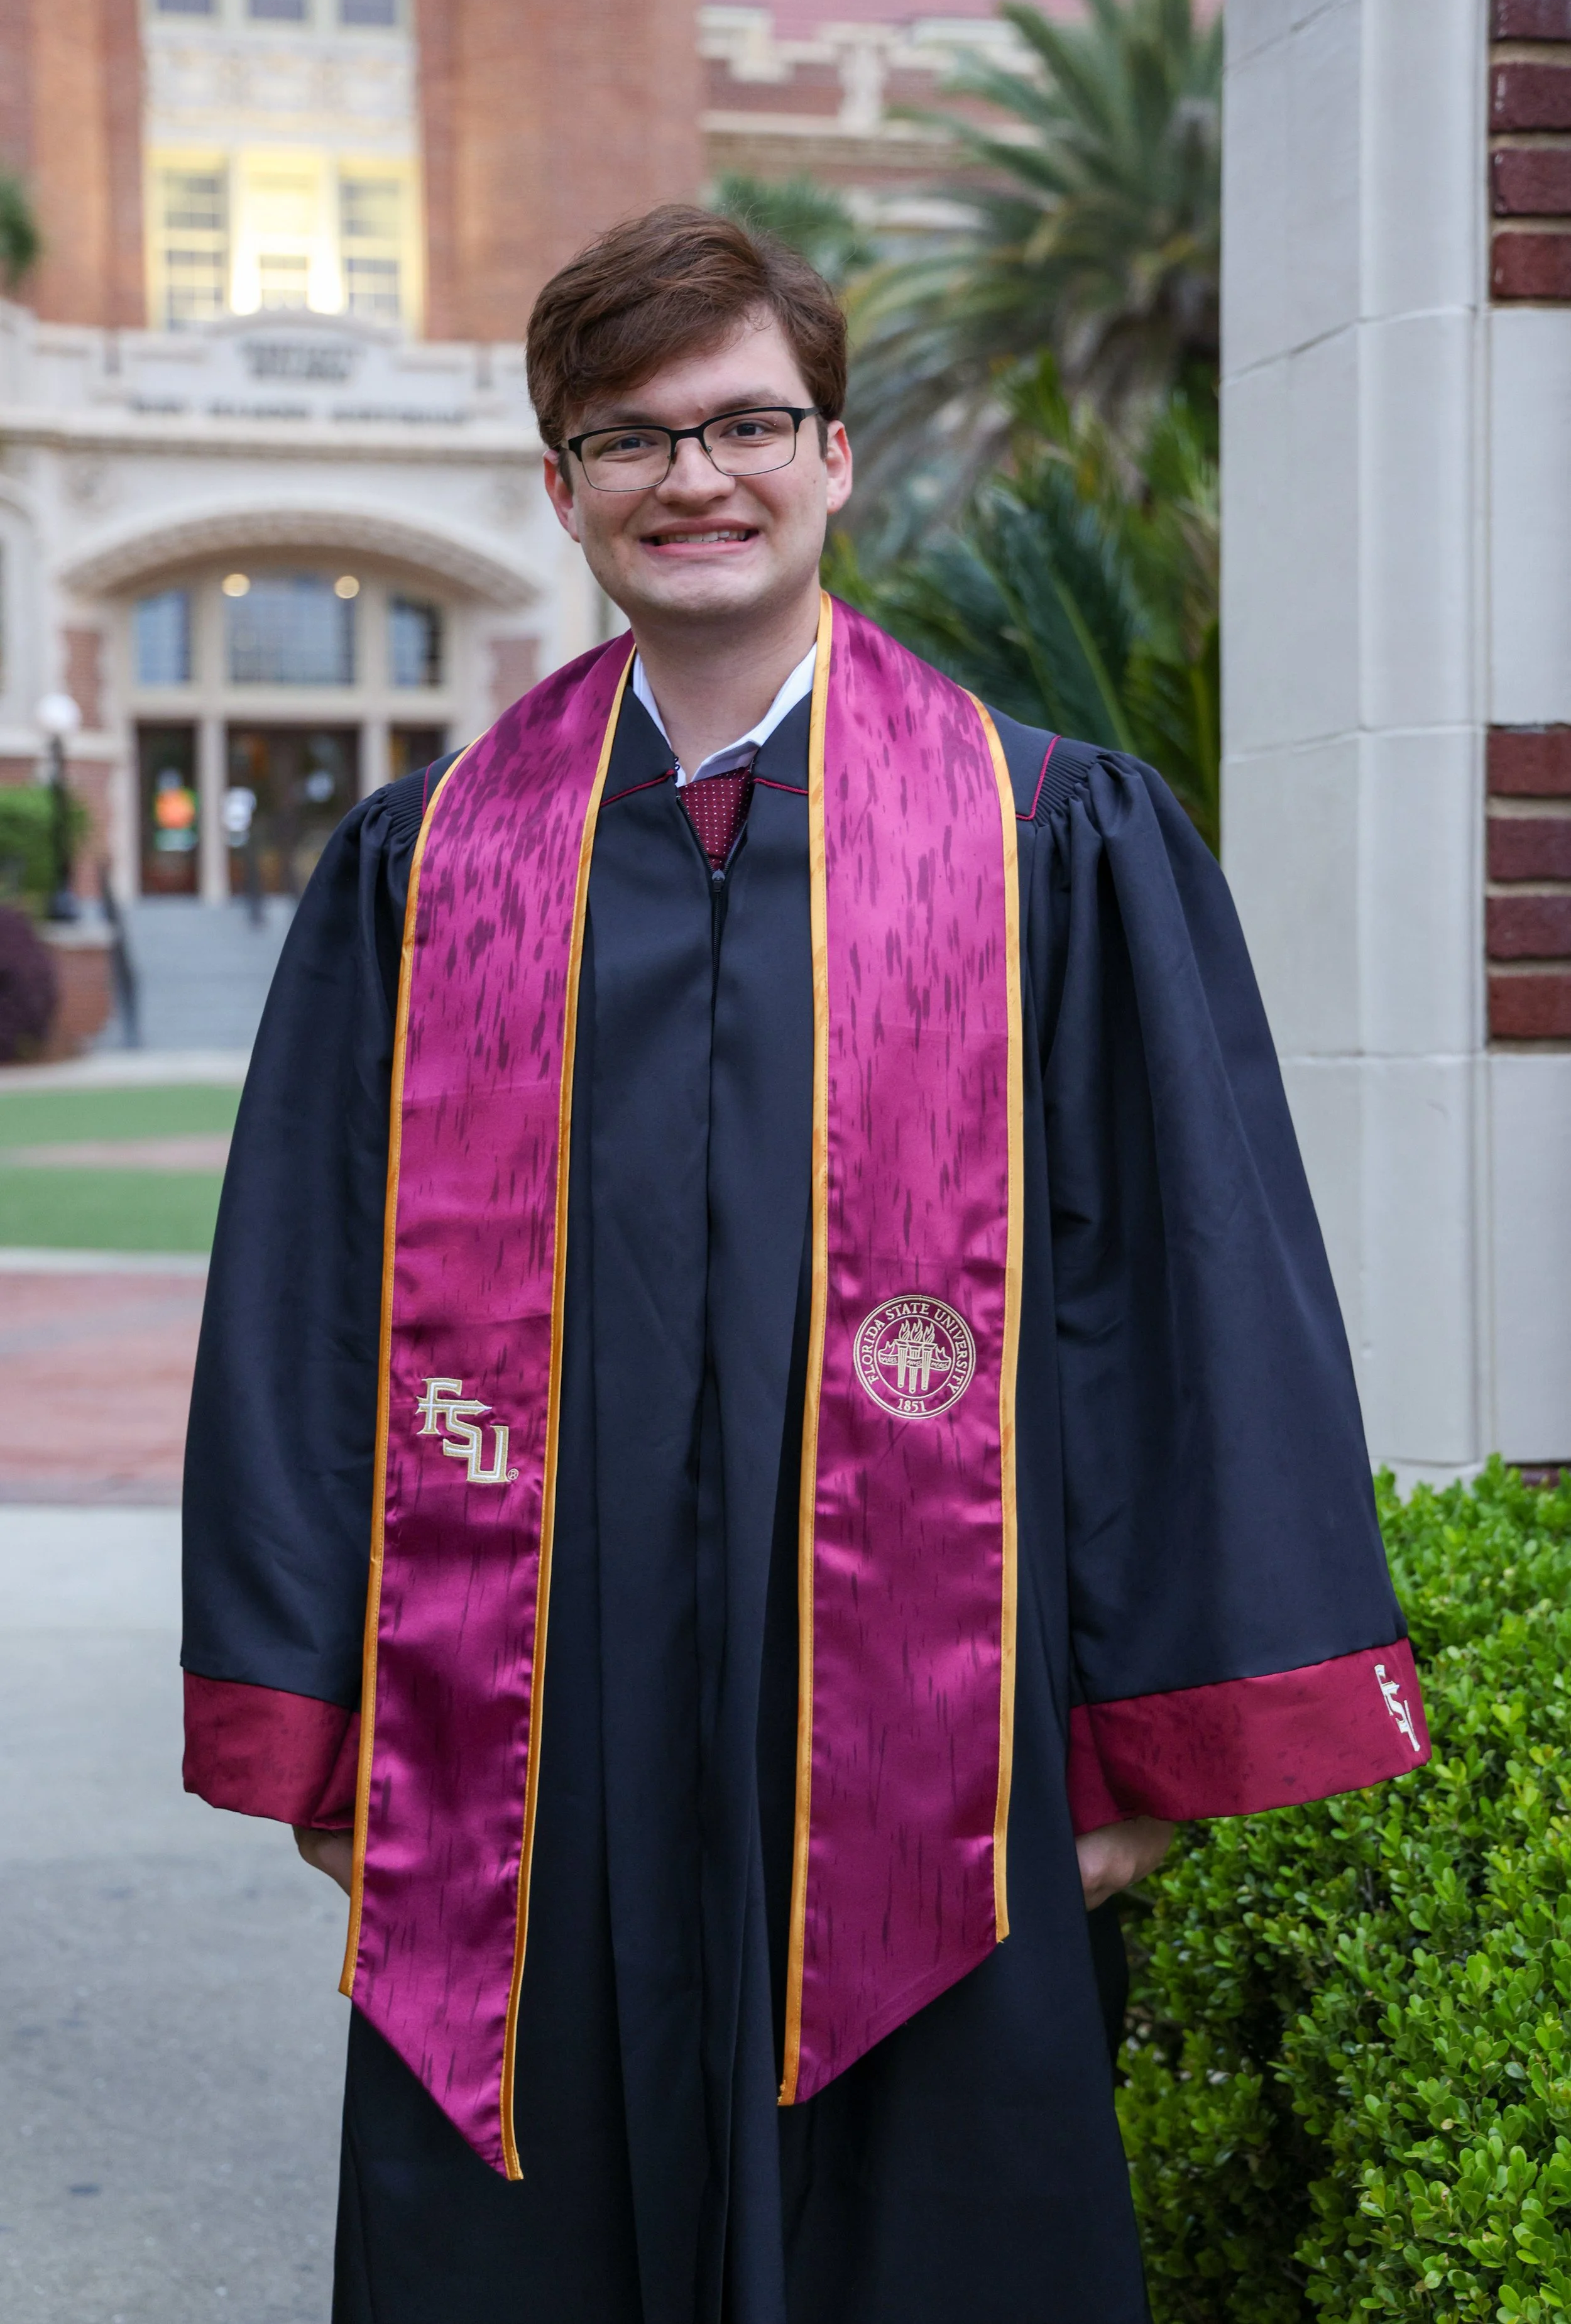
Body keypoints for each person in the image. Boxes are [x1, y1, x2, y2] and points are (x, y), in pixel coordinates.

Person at [181, 207, 1429, 2324]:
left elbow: (1187, 1297)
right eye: (631, 437)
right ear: (557, 489)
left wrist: (1141, 1741)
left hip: (932, 1720)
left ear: (836, 458)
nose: (697, 477)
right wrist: (320, 1722)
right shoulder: (430, 869)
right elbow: (300, 1309)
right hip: (525, 1711)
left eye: (749, 420)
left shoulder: (1047, 838)